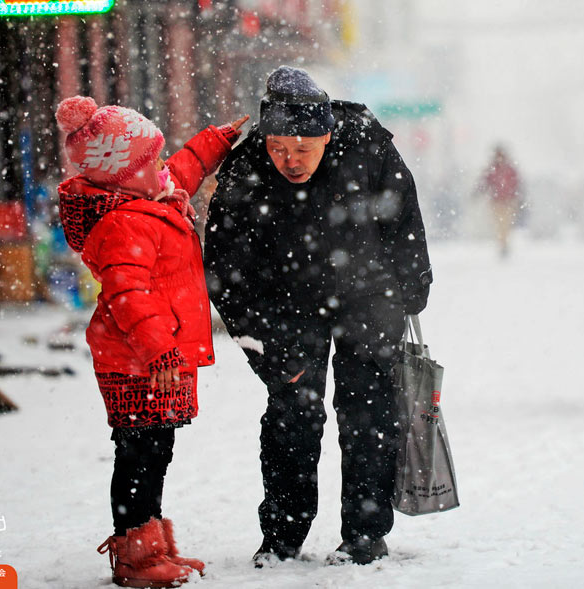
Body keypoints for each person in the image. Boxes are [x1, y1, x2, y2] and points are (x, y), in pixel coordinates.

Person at [204, 66, 433, 566]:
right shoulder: (246, 167)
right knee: (292, 415)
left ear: (327, 134)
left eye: (303, 148)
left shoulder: (367, 145)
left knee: (368, 414)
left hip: (368, 299)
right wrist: (254, 338)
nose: (290, 160)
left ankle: (365, 535)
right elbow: (224, 261)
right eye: (279, 147)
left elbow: (403, 218)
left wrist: (411, 290)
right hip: (286, 307)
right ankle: (282, 538)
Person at [55, 96, 246, 587]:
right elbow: (130, 295)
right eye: (153, 160)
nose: (164, 167)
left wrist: (217, 139)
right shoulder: (125, 223)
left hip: (154, 358)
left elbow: (183, 169)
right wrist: (159, 349)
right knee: (139, 453)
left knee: (155, 450)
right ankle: (136, 558)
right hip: (137, 359)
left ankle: (151, 547)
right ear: (125, 173)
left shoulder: (150, 195)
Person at [479, 144, 522, 256]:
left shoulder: (508, 169)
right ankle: (503, 243)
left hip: (508, 201)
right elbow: (485, 182)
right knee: (500, 224)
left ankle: (504, 243)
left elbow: (516, 183)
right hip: (497, 201)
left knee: (505, 224)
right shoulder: (494, 169)